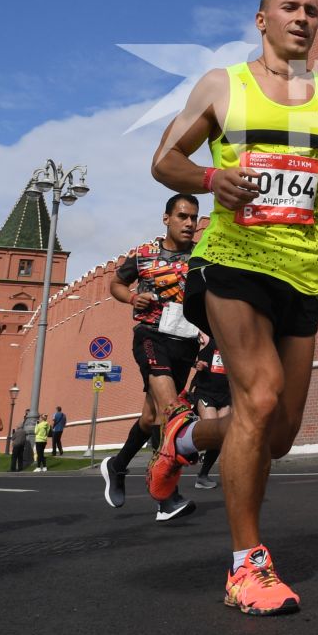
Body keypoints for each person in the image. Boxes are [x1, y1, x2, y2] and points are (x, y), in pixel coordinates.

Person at [148, 0, 318, 615]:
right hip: (235, 261)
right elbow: (166, 160)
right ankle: (248, 565)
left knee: (278, 434)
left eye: (313, 11)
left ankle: (186, 439)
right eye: (290, 8)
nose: (303, 18)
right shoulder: (224, 85)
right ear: (261, 20)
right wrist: (214, 176)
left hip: (304, 271)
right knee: (261, 392)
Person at [98, 194, 202, 523]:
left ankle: (117, 465)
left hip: (185, 342)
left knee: (150, 416)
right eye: (183, 216)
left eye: (194, 218)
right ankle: (165, 496)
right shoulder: (143, 257)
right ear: (166, 218)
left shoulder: (202, 257)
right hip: (151, 336)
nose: (189, 223)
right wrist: (132, 297)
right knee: (172, 411)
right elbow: (115, 284)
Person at [188, 336, 229, 489]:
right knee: (212, 431)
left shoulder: (235, 340)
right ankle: (187, 450)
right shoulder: (205, 335)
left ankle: (202, 476)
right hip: (206, 392)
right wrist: (195, 363)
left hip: (226, 394)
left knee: (220, 436)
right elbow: (184, 354)